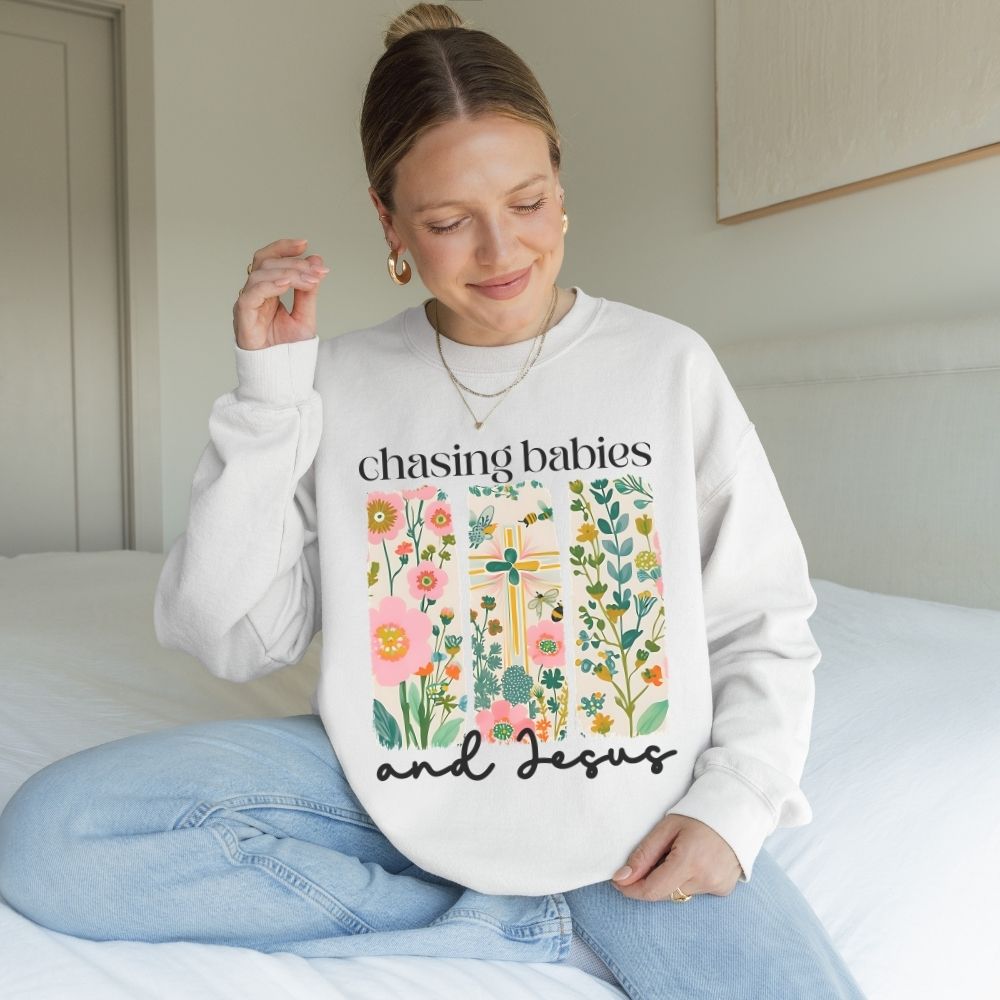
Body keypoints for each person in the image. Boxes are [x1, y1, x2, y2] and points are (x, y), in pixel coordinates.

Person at [0, 4, 867, 998]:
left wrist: (733, 805)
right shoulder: (340, 380)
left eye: (528, 202)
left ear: (561, 186)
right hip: (386, 784)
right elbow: (230, 638)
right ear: (389, 222)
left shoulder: (668, 366)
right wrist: (270, 398)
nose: (500, 250)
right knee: (55, 839)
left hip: (633, 812)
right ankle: (501, 927)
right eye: (450, 222)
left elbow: (761, 617)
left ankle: (522, 902)